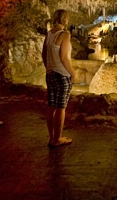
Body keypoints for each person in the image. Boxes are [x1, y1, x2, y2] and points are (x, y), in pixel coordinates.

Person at [42, 9, 75, 148]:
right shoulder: (65, 34)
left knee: (51, 106)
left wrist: (49, 68)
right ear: (65, 20)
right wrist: (72, 73)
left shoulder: (49, 34)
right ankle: (58, 138)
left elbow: (43, 54)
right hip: (62, 75)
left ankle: (52, 138)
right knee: (61, 108)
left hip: (50, 74)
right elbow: (64, 57)